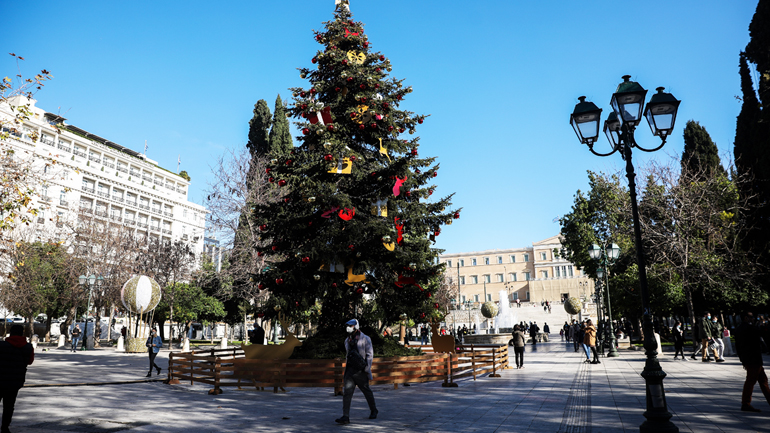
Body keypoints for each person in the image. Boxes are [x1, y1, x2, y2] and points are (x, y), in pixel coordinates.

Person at [336, 319, 377, 425]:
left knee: (366, 391)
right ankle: (345, 416)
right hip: (350, 370)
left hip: (361, 370)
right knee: (347, 393)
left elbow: (370, 354)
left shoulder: (365, 339)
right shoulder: (347, 340)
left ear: (356, 326)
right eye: (348, 325)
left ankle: (373, 410)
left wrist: (367, 368)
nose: (348, 327)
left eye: (351, 326)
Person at [0, 324, 34, 433]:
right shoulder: (28, 347)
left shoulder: (1, 345)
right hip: (16, 381)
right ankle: (5, 428)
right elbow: (30, 361)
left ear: (10, 332)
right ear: (22, 333)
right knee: (9, 405)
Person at [735, 312, 770, 412]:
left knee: (763, 380)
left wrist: (742, 360)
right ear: (746, 318)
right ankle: (745, 403)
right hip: (754, 359)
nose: (753, 319)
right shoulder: (750, 328)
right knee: (751, 381)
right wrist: (763, 325)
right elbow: (762, 334)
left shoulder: (739, 329)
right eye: (751, 317)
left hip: (748, 359)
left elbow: (738, 346)